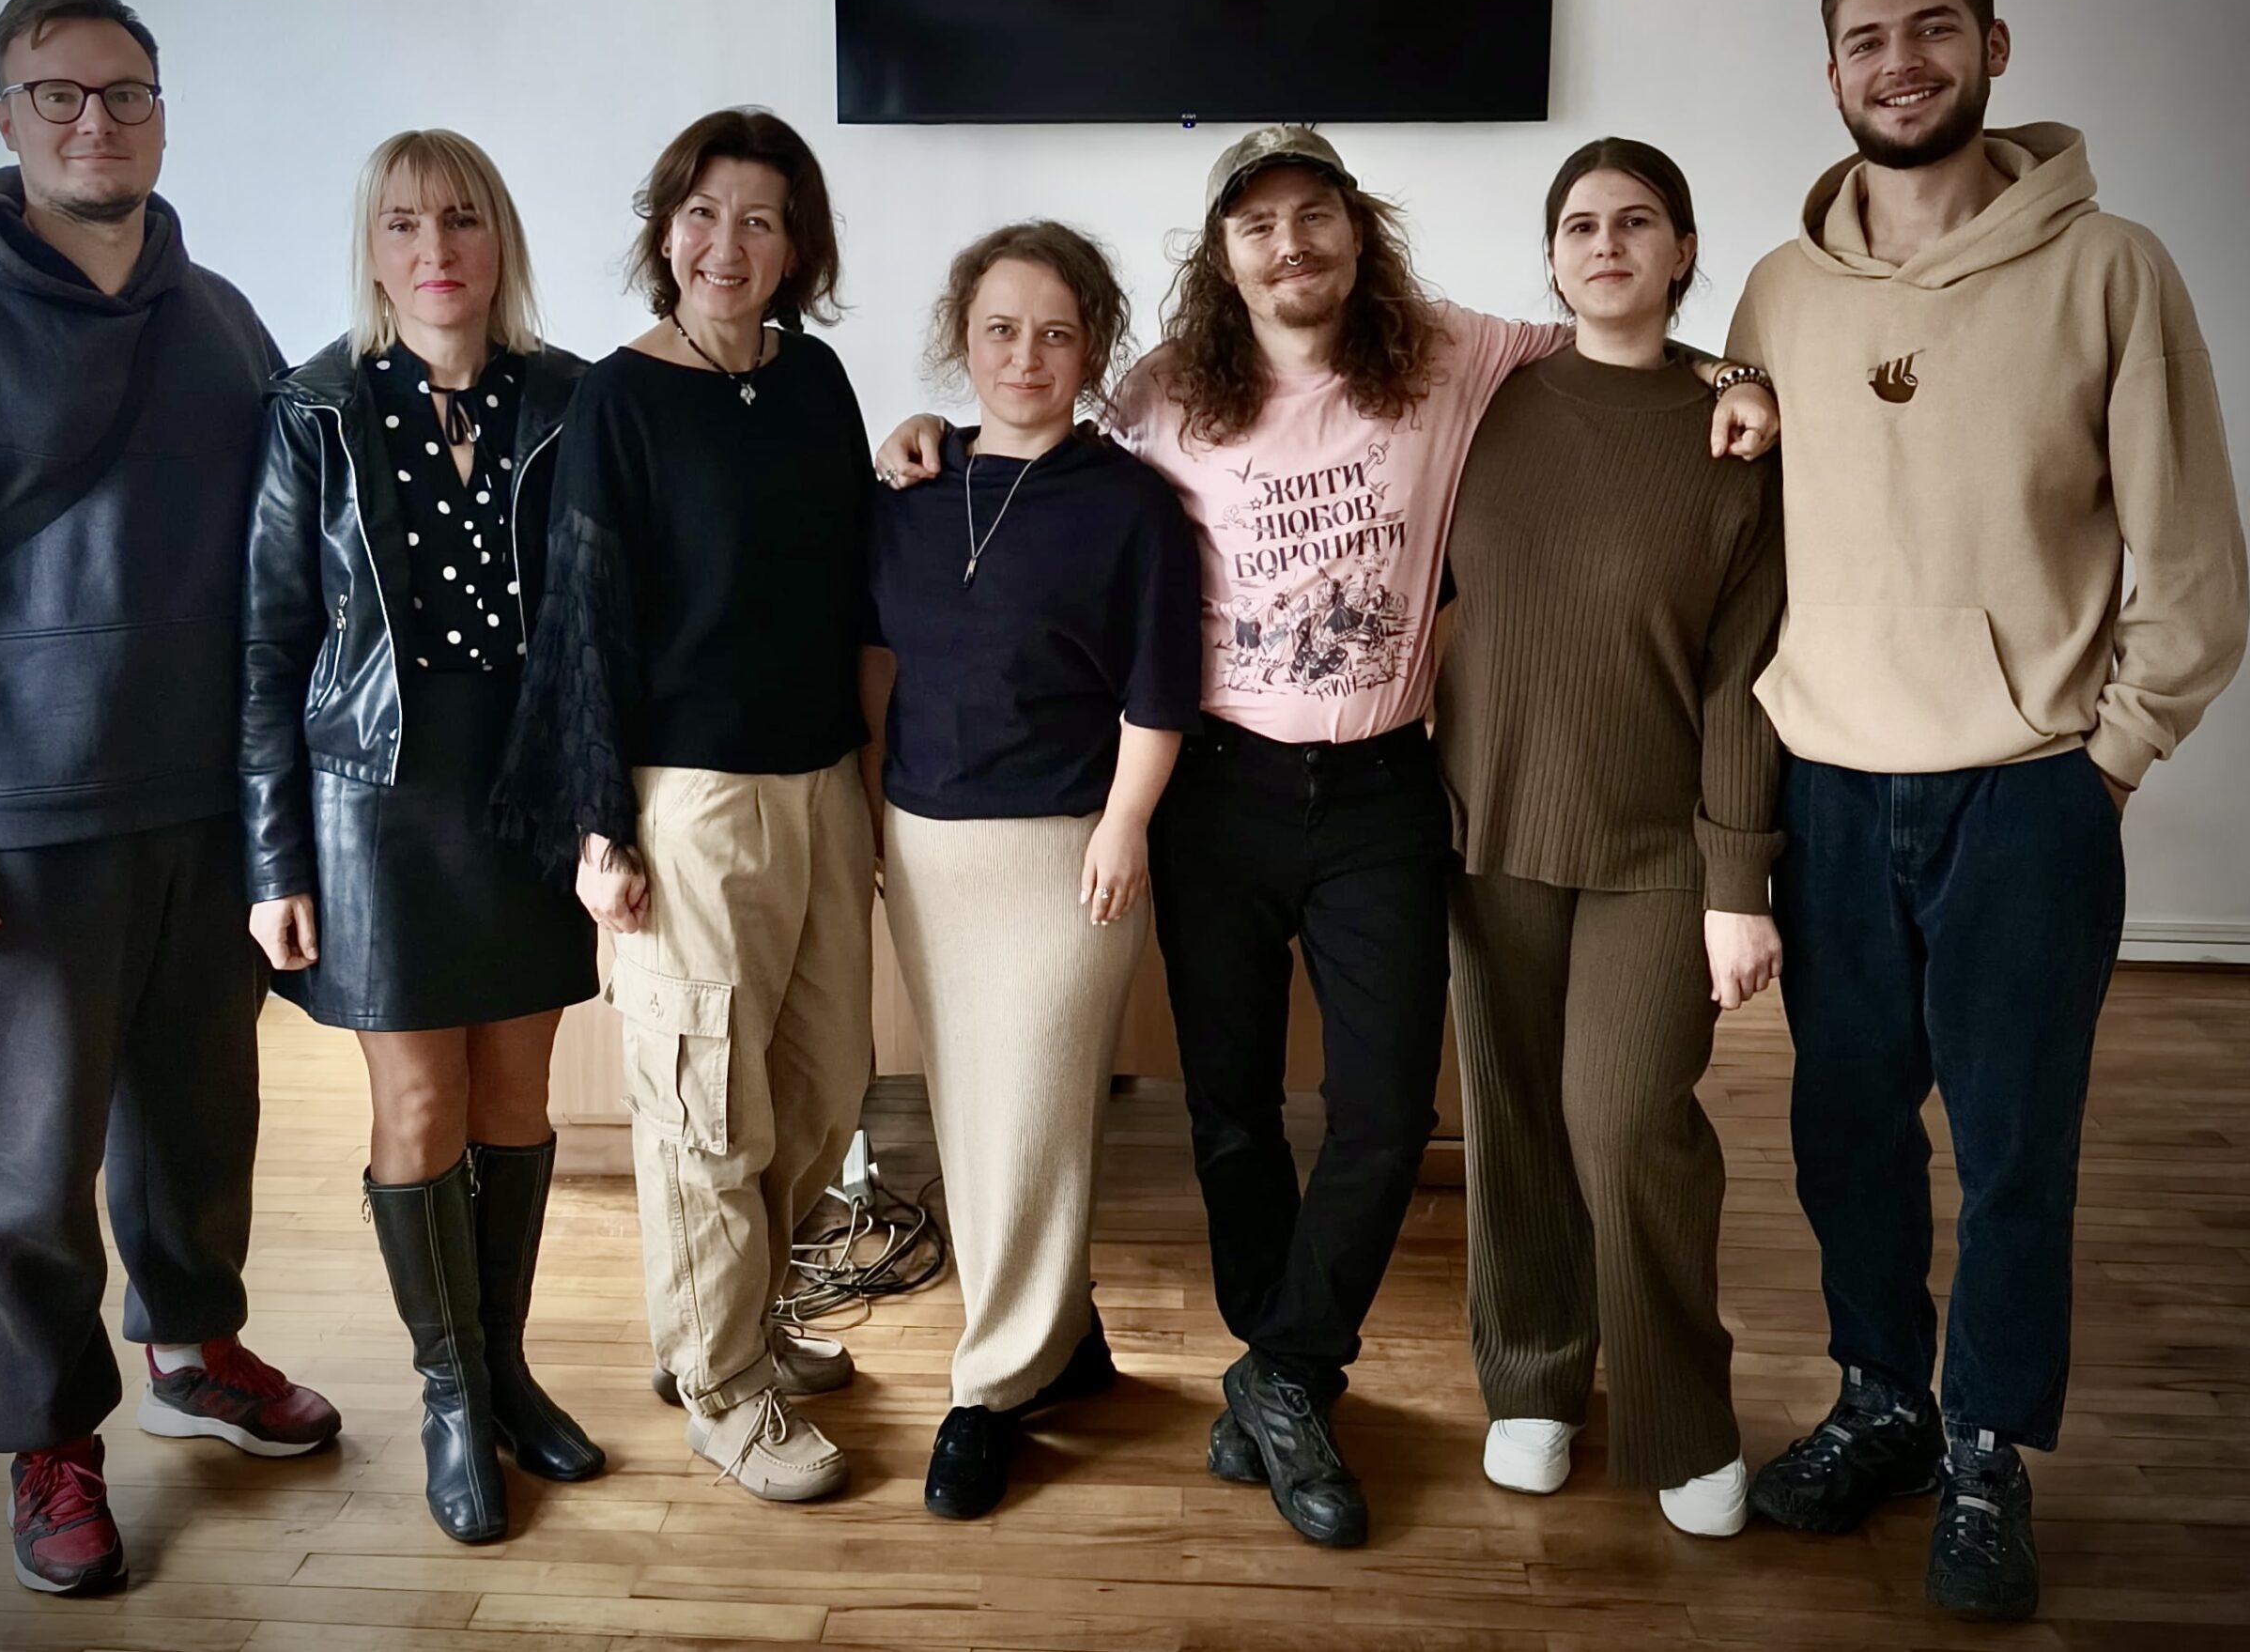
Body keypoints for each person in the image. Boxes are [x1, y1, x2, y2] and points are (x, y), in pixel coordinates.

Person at [878, 125, 1777, 1546]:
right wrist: (922, 434)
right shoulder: (1163, 389)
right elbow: (1038, 440)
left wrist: (1741, 376)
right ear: (1223, 256)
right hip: (1217, 792)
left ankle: (1289, 1370)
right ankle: (1279, 1362)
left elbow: (1620, 338)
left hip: (1381, 793)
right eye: (1258, 225)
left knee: (1384, 1113)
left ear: (1358, 232)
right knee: (1231, 1109)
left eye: (1314, 215)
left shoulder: (1452, 352)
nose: (1289, 244)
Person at [1731, 0, 2247, 1621]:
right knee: (1845, 1129)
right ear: (1830, 72)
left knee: (2018, 1145)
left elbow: (2193, 560)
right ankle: (1883, 1398)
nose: (1902, 63)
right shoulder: (1779, 290)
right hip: (1825, 779)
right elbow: (1739, 527)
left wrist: (2109, 761)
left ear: (1995, 48)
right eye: (1869, 39)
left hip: (2026, 790)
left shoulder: (2112, 269)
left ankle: (1985, 1448)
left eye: (1934, 29)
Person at [0, 0, 338, 1599]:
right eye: (56, 94)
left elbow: (291, 541)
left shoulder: (218, 317)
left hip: (205, 801)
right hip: (16, 822)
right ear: (5, 119)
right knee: (26, 1166)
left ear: (161, 115)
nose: (94, 122)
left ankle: (194, 1350)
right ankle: (50, 1438)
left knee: (201, 1117)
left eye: (125, 92)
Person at [493, 107, 876, 1504]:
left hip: (826, 782)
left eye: (761, 219)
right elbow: (582, 616)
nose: (729, 243)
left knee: (820, 1086)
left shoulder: (816, 379)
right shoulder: (622, 399)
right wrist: (598, 826)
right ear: (667, 235)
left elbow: (857, 568)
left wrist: (924, 448)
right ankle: (720, 1387)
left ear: (796, 247)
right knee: (707, 1104)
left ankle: (740, 1322)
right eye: (704, 214)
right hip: (691, 797)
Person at [239, 129, 606, 1544]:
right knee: (418, 1110)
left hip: (525, 794)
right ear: (374, 249)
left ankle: (506, 1369)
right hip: (375, 799)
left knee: (517, 1098)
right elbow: (271, 645)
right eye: (403, 223)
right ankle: (451, 1394)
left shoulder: (568, 398)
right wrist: (274, 859)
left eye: (461, 218)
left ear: (499, 238)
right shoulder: (317, 409)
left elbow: (602, 624)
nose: (435, 248)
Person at [1434, 138, 1783, 1541]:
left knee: (1628, 1121)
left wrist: (1738, 877)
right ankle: (1532, 1377)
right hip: (1491, 826)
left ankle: (1681, 1411)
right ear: (1551, 256)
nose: (1607, 244)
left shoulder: (1736, 434)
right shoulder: (1488, 400)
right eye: (1579, 225)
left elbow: (1744, 674)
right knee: (1513, 1115)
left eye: (1637, 221)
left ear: (1683, 250)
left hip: (1658, 849)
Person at [864, 222, 1200, 1519]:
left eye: (1057, 333)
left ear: (1093, 350)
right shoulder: (909, 485)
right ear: (963, 336)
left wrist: (1125, 824)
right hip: (928, 846)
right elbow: (876, 662)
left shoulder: (1132, 506)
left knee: (1031, 1113)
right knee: (976, 1111)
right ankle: (1068, 1335)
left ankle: (991, 1387)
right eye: (1001, 329)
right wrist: (868, 816)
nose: (1026, 355)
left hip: (1069, 850)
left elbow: (1159, 691)